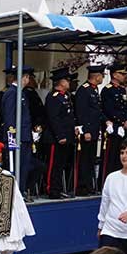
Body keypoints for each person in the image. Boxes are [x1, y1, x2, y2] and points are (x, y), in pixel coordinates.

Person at [44, 68, 76, 198]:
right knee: (54, 164)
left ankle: (58, 188)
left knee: (61, 164)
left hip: (66, 136)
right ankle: (51, 189)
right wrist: (60, 135)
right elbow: (54, 118)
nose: (69, 82)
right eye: (67, 80)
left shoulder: (65, 96)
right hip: (55, 138)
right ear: (61, 82)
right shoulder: (53, 97)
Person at [74, 65, 105, 195]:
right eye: (102, 75)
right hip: (87, 131)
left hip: (93, 130)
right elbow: (81, 112)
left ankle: (89, 185)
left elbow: (96, 111)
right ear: (97, 76)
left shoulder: (94, 90)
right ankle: (82, 186)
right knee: (85, 159)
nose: (102, 77)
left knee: (91, 159)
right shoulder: (84, 90)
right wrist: (85, 130)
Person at [1, 68, 33, 193]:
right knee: (17, 166)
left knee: (24, 166)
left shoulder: (20, 92)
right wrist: (12, 136)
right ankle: (16, 192)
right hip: (17, 136)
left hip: (23, 135)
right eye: (27, 77)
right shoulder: (12, 93)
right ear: (24, 77)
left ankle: (21, 190)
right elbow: (9, 116)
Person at [101, 63, 127, 178]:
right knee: (112, 156)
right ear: (114, 75)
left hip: (124, 128)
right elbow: (109, 110)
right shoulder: (107, 90)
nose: (124, 76)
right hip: (114, 128)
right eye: (122, 74)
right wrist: (121, 121)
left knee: (122, 156)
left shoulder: (121, 90)